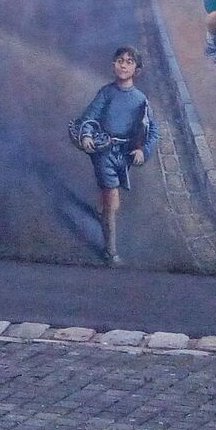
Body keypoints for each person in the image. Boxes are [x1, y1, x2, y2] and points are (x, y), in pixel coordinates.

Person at [73, 46, 160, 266]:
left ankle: (100, 210)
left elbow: (152, 131)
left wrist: (143, 151)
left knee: (109, 194)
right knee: (112, 200)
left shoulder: (141, 100)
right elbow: (89, 116)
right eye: (120, 60)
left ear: (136, 70)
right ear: (113, 65)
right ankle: (110, 251)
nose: (123, 65)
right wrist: (86, 135)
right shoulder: (106, 93)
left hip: (125, 154)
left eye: (129, 62)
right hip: (103, 150)